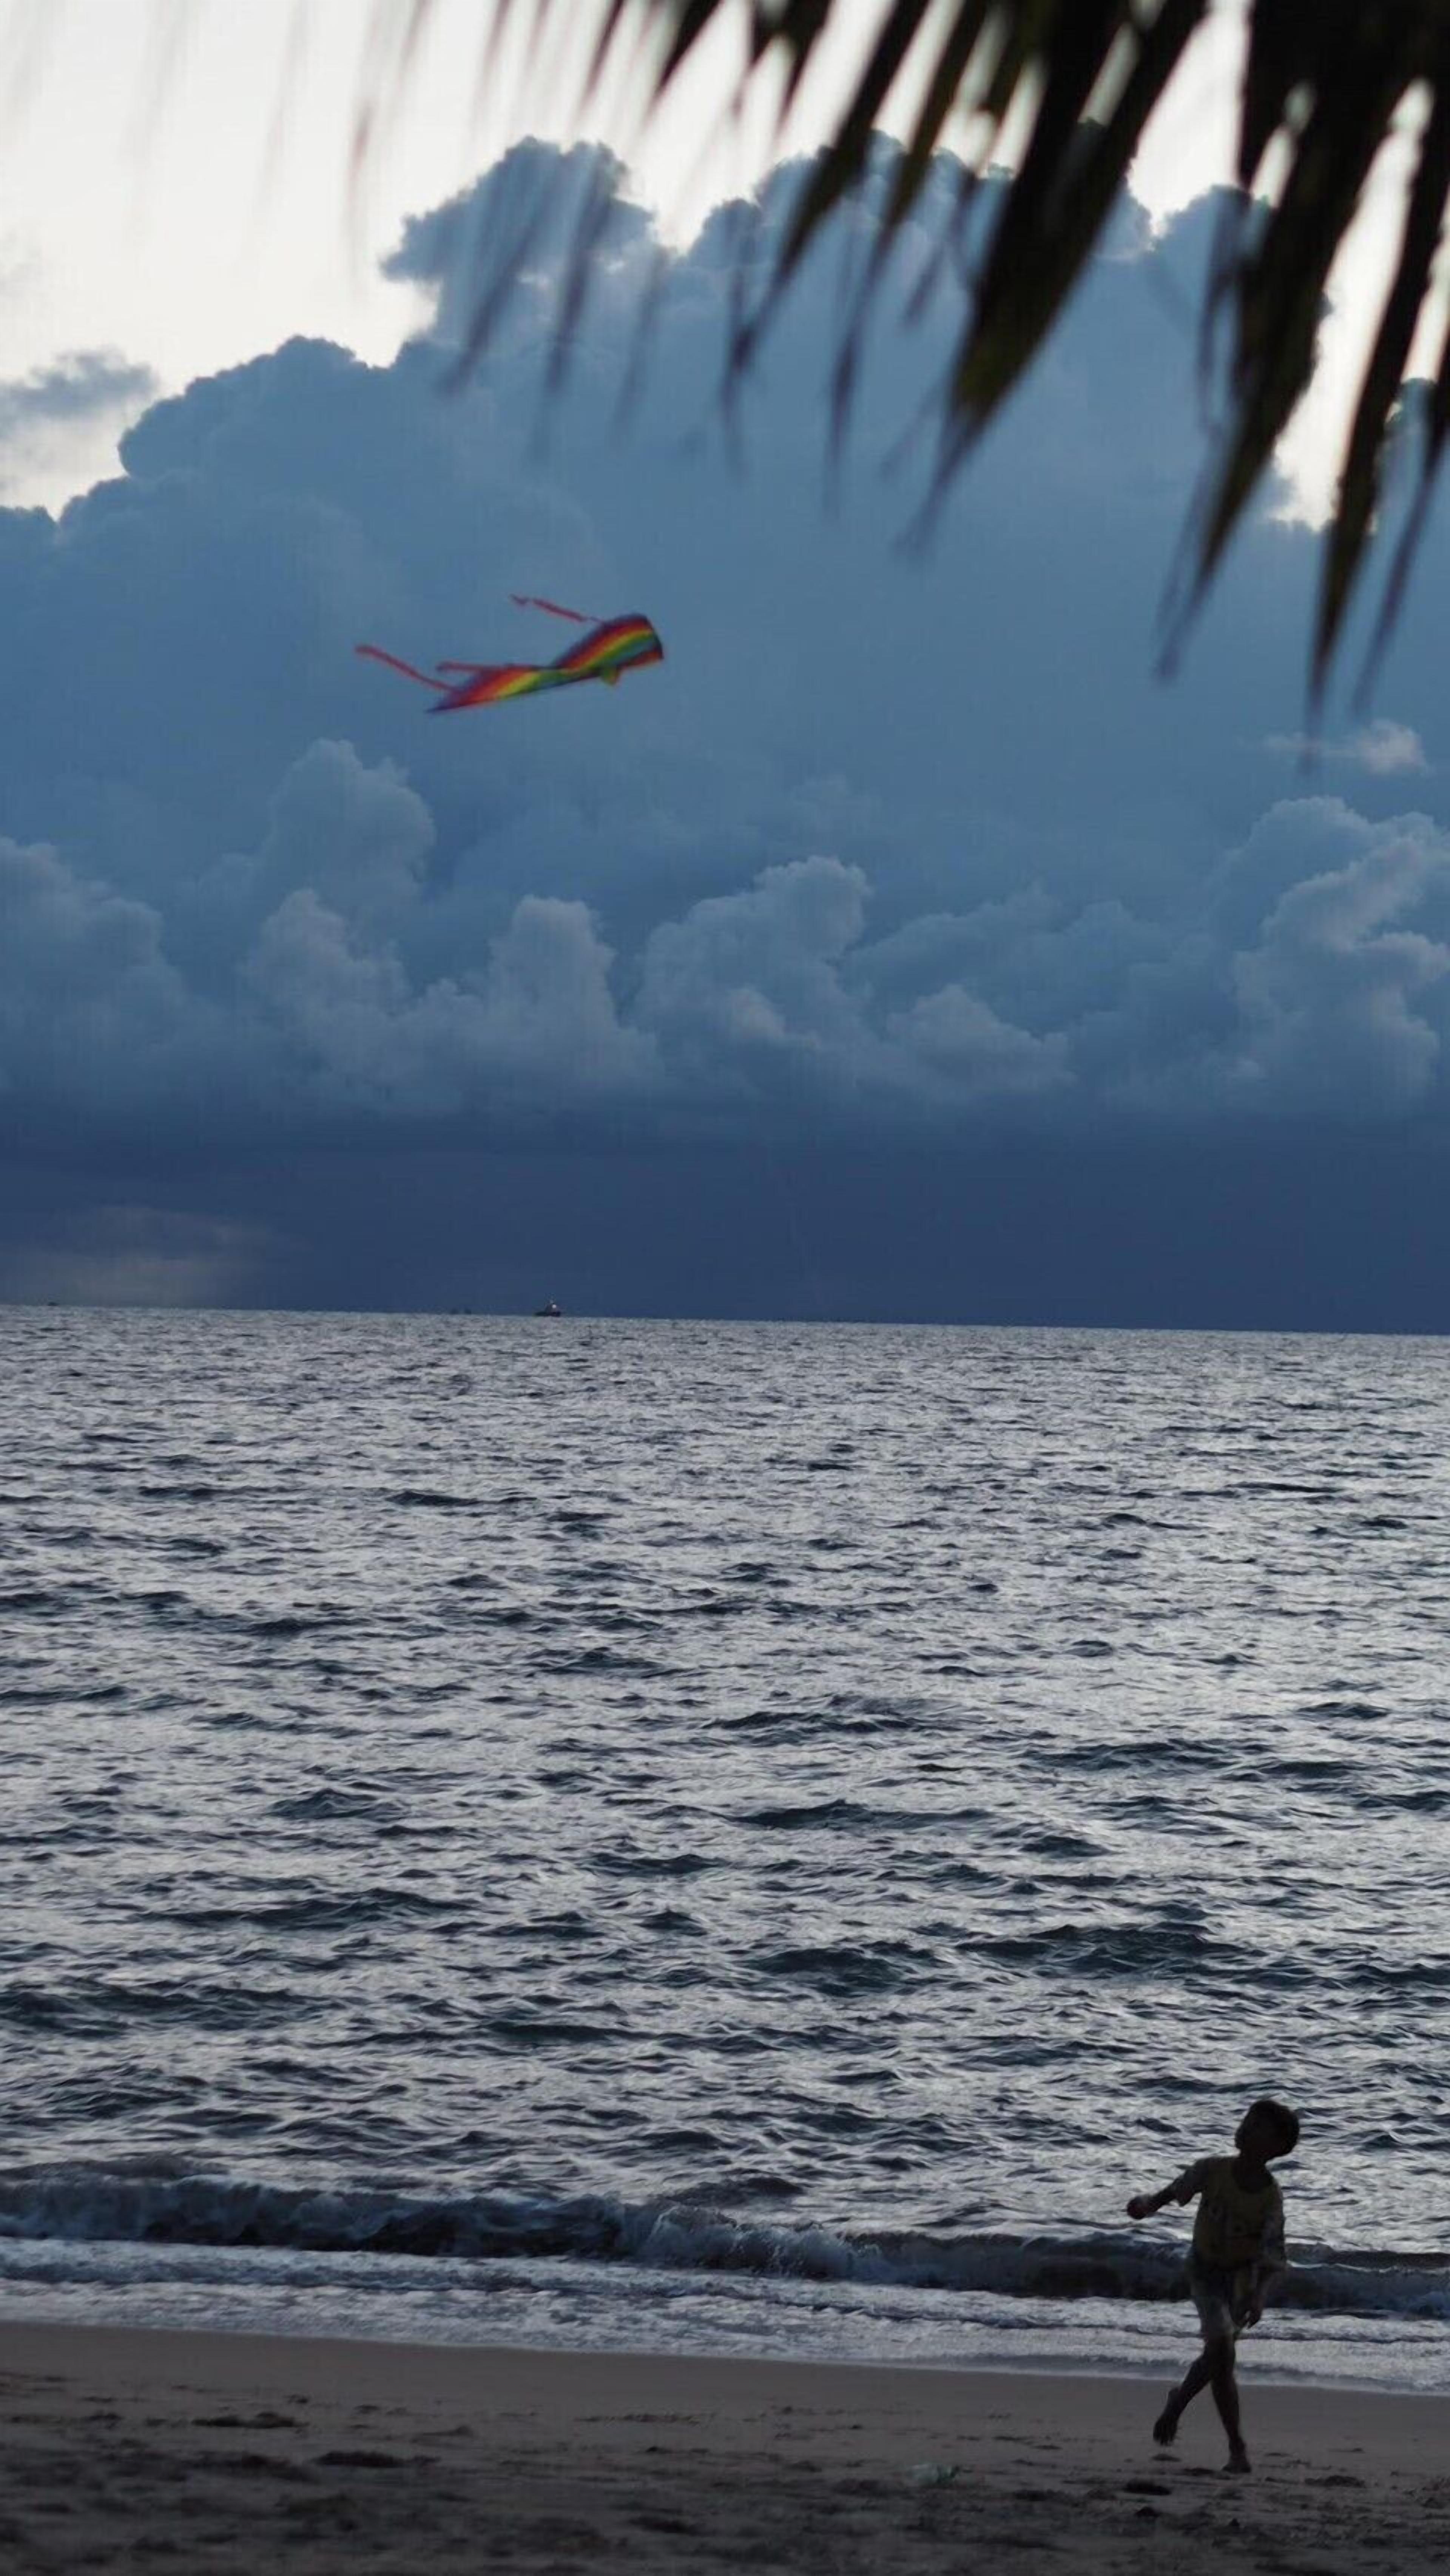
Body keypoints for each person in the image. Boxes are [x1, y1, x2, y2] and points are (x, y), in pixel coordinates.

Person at [1125, 2097, 1299, 2474]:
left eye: (1258, 2127)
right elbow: (1175, 2189)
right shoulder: (1213, 2170)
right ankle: (1237, 2449)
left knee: (1216, 2359)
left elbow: (1274, 2257)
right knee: (1223, 2352)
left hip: (1241, 2281)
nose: (1246, 2128)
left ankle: (1178, 2401)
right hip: (1204, 2271)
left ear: (1277, 2148)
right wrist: (1148, 2205)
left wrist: (1259, 2296)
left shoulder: (1270, 2198)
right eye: (1247, 2120)